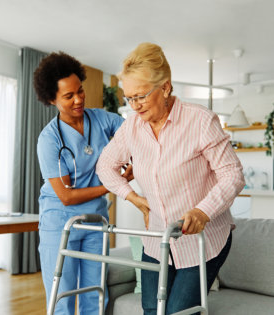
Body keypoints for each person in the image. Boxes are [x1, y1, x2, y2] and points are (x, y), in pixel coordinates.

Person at [96, 42, 245, 315]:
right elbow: (105, 166)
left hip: (203, 240)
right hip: (157, 240)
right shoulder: (131, 127)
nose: (134, 106)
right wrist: (135, 198)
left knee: (178, 312)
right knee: (152, 310)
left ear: (165, 87)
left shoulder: (200, 121)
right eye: (129, 98)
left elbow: (232, 175)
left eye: (140, 96)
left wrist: (203, 210)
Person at [34, 51, 131, 315]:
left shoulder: (100, 119)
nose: (78, 99)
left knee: (96, 294)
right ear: (52, 99)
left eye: (80, 91)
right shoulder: (49, 140)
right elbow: (65, 195)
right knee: (62, 298)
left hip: (95, 221)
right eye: (68, 96)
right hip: (60, 223)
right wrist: (112, 185)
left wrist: (131, 159)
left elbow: (134, 133)